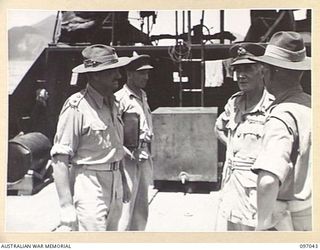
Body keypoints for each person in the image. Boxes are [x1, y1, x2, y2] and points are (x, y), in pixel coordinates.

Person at [50, 44, 131, 231]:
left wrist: (124, 183)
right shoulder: (76, 107)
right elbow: (60, 158)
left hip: (115, 183)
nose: (119, 76)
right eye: (112, 71)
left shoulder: (114, 103)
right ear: (94, 74)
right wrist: (66, 205)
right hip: (90, 185)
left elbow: (116, 148)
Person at [250, 31, 312, 231]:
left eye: (264, 69)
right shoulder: (311, 104)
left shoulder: (281, 116)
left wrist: (262, 226)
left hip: (290, 218)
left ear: (271, 72)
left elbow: (268, 181)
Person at [214, 43, 274, 231]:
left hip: (257, 192)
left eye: (248, 68)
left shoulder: (273, 106)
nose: (241, 75)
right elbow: (218, 128)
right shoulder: (234, 102)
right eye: (237, 69)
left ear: (262, 70)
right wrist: (232, 148)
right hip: (231, 187)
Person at [115, 52, 154, 231]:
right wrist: (123, 150)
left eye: (147, 73)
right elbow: (113, 131)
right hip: (127, 158)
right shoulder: (120, 98)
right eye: (141, 73)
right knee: (126, 206)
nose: (146, 77)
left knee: (141, 208)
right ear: (129, 74)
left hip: (144, 155)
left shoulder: (143, 94)